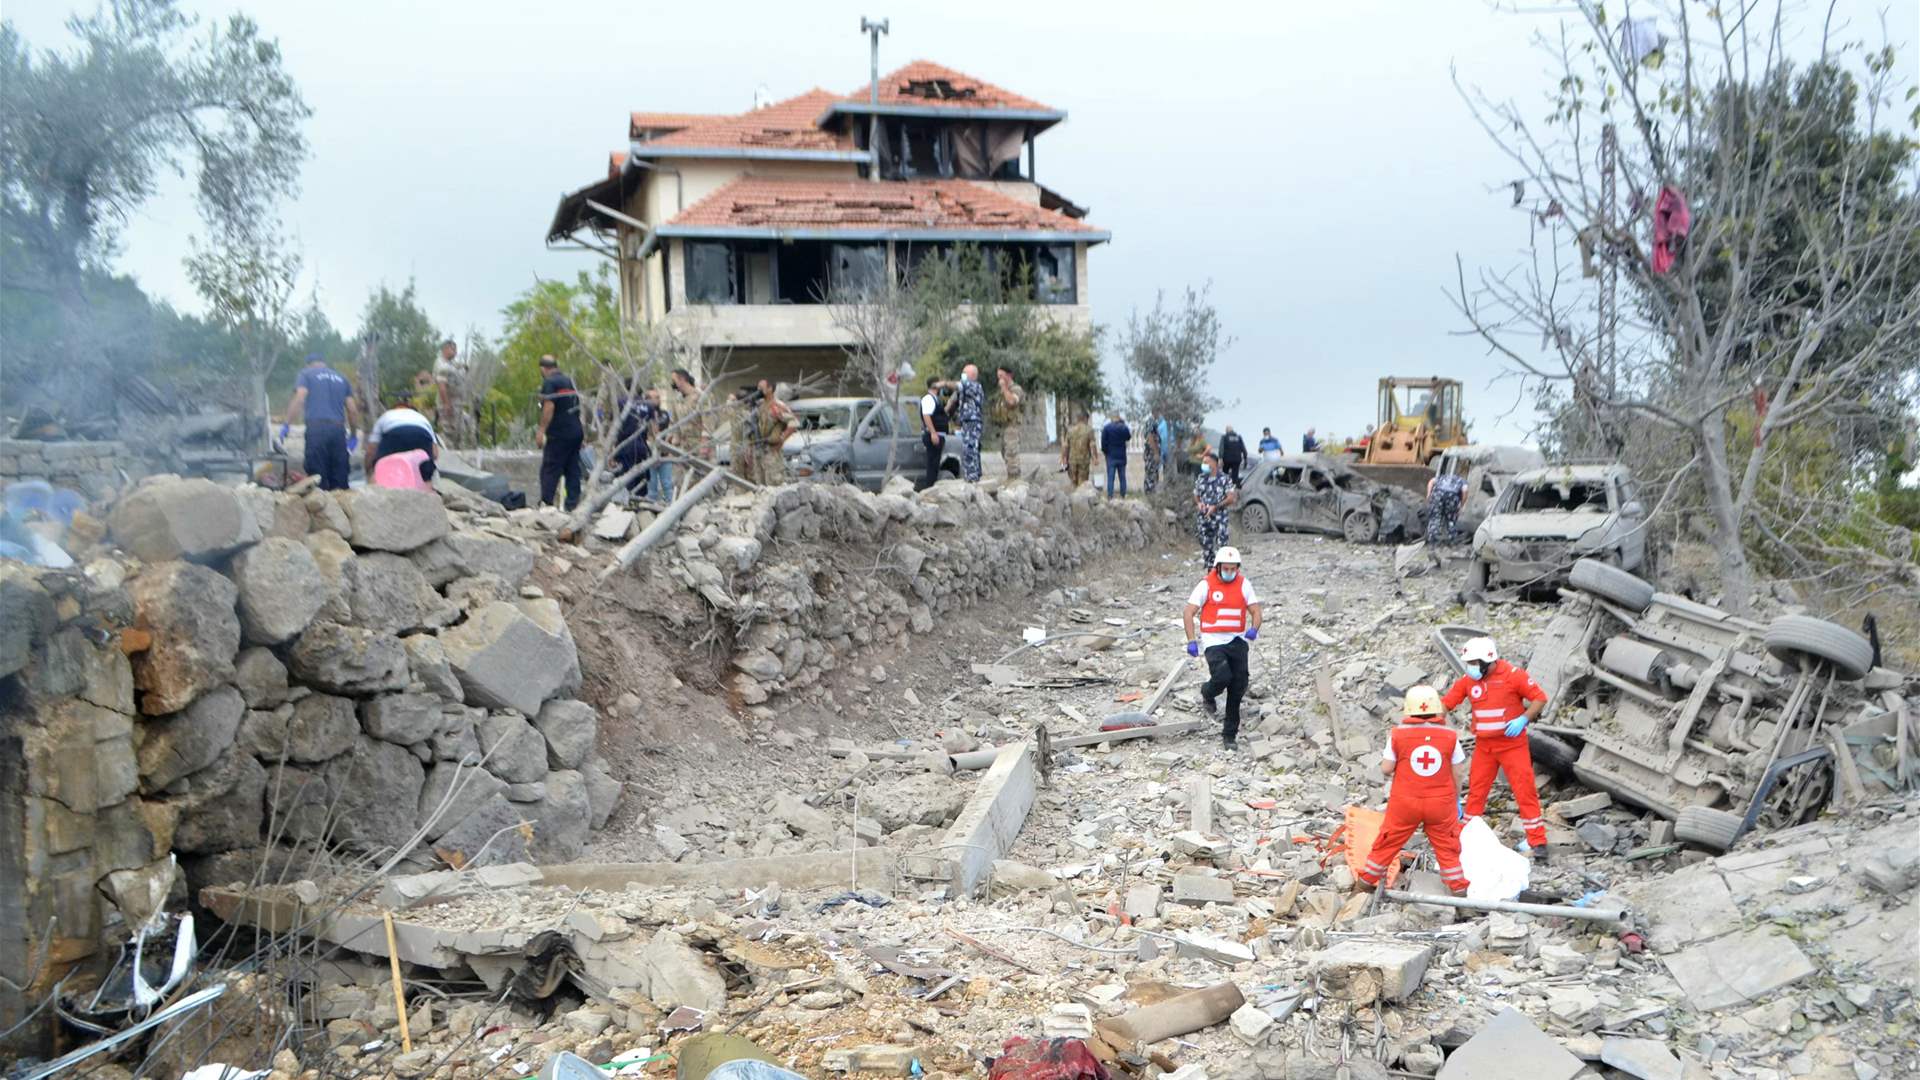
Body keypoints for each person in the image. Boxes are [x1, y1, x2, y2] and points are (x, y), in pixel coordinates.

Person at [1443, 636, 1550, 861]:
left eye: (1474, 663)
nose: (1470, 667)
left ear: (1487, 661)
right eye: (1468, 663)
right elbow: (1447, 703)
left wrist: (1524, 718)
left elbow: (1539, 698)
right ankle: (1466, 836)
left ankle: (1538, 841)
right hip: (1485, 745)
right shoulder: (1468, 681)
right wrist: (1428, 722)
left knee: (1525, 790)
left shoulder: (1513, 675)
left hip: (1513, 745)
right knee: (1476, 791)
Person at [1356, 686, 1471, 895]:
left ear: (1408, 709)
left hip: (1405, 803)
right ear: (1436, 708)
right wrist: (1454, 799)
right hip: (1440, 803)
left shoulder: (1398, 734)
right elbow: (1459, 773)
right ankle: (1461, 898)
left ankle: (1362, 889)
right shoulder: (1449, 736)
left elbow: (1386, 768)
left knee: (1387, 843)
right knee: (1448, 848)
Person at [1181, 545, 1261, 750]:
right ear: (1218, 567)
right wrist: (1191, 640)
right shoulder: (1206, 585)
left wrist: (1254, 628)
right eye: (1226, 568)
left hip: (1237, 639)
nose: (1230, 573)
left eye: (1234, 569)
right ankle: (1207, 692)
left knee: (1239, 684)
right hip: (1213, 640)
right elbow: (1188, 612)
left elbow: (1256, 611)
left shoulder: (1244, 585)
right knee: (1222, 676)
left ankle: (1229, 734)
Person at [284, 353, 360, 491]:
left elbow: (300, 398)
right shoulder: (342, 378)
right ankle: (341, 510)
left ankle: (321, 510)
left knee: (317, 479)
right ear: (324, 363)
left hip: (316, 430)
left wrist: (287, 424)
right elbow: (352, 410)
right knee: (340, 479)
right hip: (338, 431)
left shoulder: (306, 374)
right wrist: (354, 435)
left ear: (308, 364)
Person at [535, 355, 584, 511]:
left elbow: (549, 407)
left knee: (550, 468)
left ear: (543, 368)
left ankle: (546, 504)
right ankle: (572, 505)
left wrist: (541, 430)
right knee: (572, 469)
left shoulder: (549, 383)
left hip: (559, 433)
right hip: (576, 432)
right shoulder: (570, 381)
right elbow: (578, 407)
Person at [665, 367, 710, 492]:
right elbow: (673, 423)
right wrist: (669, 441)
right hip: (682, 448)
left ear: (682, 379)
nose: (672, 383)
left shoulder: (700, 398)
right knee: (680, 483)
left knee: (698, 483)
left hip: (697, 446)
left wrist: (704, 446)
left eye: (674, 380)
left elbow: (707, 423)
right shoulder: (678, 400)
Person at [367, 404, 437, 484]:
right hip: (421, 433)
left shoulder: (385, 416)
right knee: (425, 475)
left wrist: (368, 470)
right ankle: (428, 491)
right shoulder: (422, 418)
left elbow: (371, 450)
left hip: (394, 434)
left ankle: (371, 491)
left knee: (380, 469)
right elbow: (435, 453)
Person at [1192, 449, 1236, 567]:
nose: (1204, 465)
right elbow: (1196, 495)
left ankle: (1223, 571)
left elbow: (1231, 498)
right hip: (1204, 517)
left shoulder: (1224, 479)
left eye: (1207, 462)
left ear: (1214, 464)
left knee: (1222, 546)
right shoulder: (1201, 478)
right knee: (1206, 545)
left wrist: (1215, 507)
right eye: (1203, 462)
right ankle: (1210, 571)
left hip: (1219, 518)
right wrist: (1199, 503)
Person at [752, 379, 796, 484]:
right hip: (759, 450)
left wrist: (781, 440)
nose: (758, 391)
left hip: (772, 452)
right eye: (757, 388)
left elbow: (793, 423)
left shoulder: (777, 406)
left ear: (770, 389)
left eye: (761, 388)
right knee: (760, 485)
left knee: (774, 484)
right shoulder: (760, 406)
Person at [991, 365, 1025, 480]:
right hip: (1004, 427)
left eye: (1001, 376)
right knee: (1005, 453)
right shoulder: (1001, 392)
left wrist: (1004, 388)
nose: (999, 379)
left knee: (1011, 453)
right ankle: (1011, 477)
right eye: (998, 376)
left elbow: (1011, 402)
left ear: (1009, 376)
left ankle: (1015, 479)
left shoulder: (1016, 389)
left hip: (1012, 427)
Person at [953, 364, 986, 482]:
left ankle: (972, 476)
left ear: (972, 375)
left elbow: (956, 385)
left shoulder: (974, 386)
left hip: (973, 422)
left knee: (970, 448)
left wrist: (942, 384)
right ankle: (973, 475)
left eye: (965, 373)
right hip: (967, 422)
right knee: (969, 448)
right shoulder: (966, 388)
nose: (963, 376)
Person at [918, 376, 950, 491]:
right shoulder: (928, 399)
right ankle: (929, 489)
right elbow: (926, 416)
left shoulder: (936, 399)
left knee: (935, 464)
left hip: (939, 435)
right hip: (933, 435)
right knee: (932, 464)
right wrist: (933, 433)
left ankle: (931, 487)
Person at [644, 388, 674, 501]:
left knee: (667, 484)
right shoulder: (643, 416)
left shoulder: (665, 414)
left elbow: (670, 430)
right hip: (649, 454)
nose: (658, 399)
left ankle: (671, 507)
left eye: (658, 397)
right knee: (651, 486)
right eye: (655, 397)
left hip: (664, 454)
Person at [725, 387, 759, 485]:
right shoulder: (752, 414)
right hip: (749, 448)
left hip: (736, 448)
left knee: (737, 478)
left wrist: (731, 399)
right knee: (751, 477)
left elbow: (727, 404)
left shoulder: (734, 412)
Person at [1426, 470, 1468, 546]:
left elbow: (1431, 481)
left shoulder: (1443, 477)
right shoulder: (1462, 480)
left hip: (1437, 495)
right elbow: (1465, 491)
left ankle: (1432, 540)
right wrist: (1461, 505)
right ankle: (1452, 540)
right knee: (1451, 519)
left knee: (1435, 517)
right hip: (1452, 497)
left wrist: (1429, 494)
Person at [1100, 412, 1131, 498]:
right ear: (1119, 417)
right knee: (1122, 477)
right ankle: (1123, 494)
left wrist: (1106, 452)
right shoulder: (1124, 428)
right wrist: (1123, 423)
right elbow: (1128, 437)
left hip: (1111, 456)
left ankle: (1110, 495)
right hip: (1121, 455)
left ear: (1111, 418)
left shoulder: (1107, 428)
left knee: (1111, 477)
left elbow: (1103, 443)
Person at [1061, 412, 1094, 489]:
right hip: (1084, 461)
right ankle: (1081, 498)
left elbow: (1065, 446)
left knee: (1073, 482)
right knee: (1082, 483)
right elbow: (1092, 445)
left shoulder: (1070, 430)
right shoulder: (1089, 430)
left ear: (1077, 419)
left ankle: (1074, 498)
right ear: (1085, 419)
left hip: (1072, 460)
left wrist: (1063, 458)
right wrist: (1095, 458)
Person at [1142, 417, 1163, 494]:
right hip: (1151, 453)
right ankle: (1150, 493)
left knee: (1154, 473)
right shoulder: (1151, 422)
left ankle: (1152, 492)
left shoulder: (1156, 422)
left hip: (1152, 453)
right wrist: (1156, 453)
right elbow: (1150, 436)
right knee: (1151, 474)